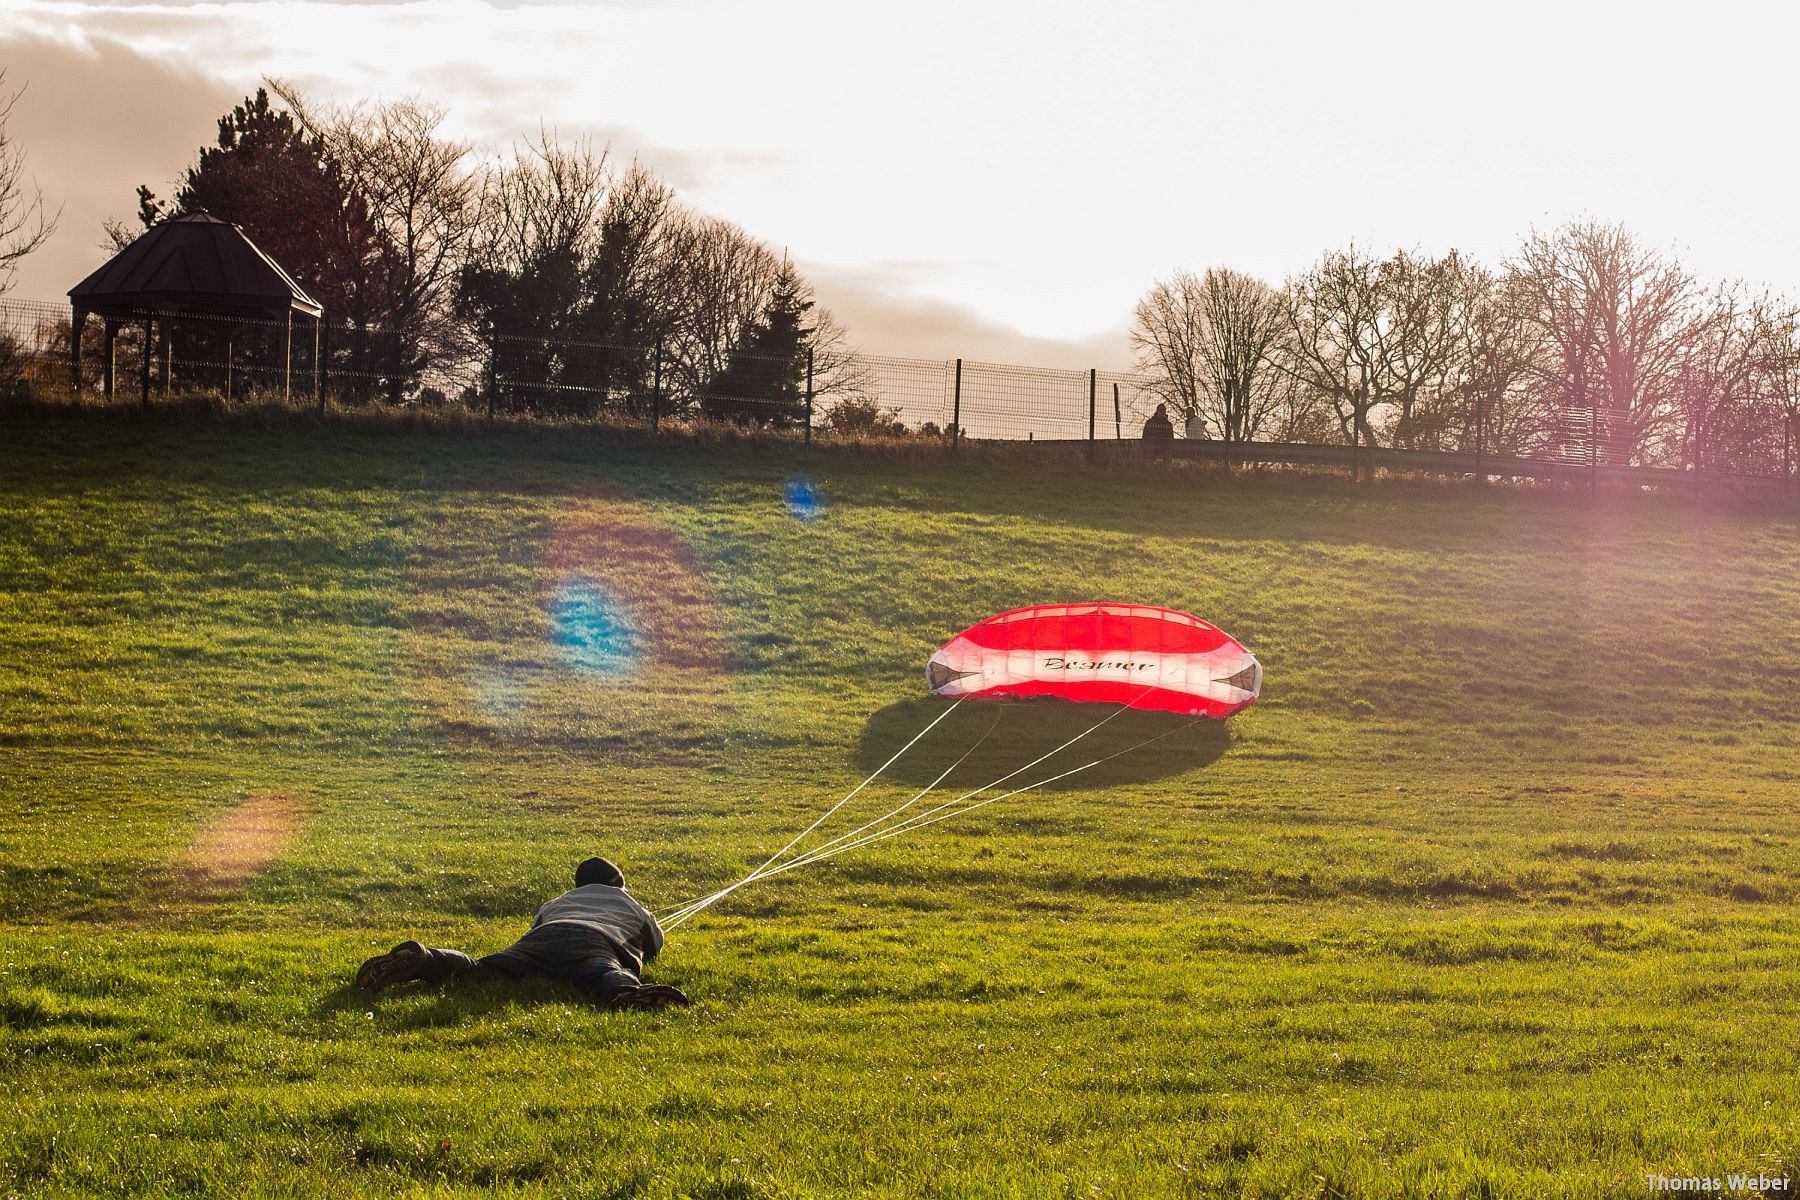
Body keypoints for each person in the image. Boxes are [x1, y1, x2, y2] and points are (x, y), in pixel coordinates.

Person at [354, 856, 689, 1010]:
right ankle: (628, 994)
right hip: (594, 944)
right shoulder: (630, 903)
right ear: (619, 885)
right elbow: (655, 943)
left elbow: (536, 929)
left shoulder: (557, 901)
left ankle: (424, 958)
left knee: (482, 970)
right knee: (604, 972)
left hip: (539, 942)